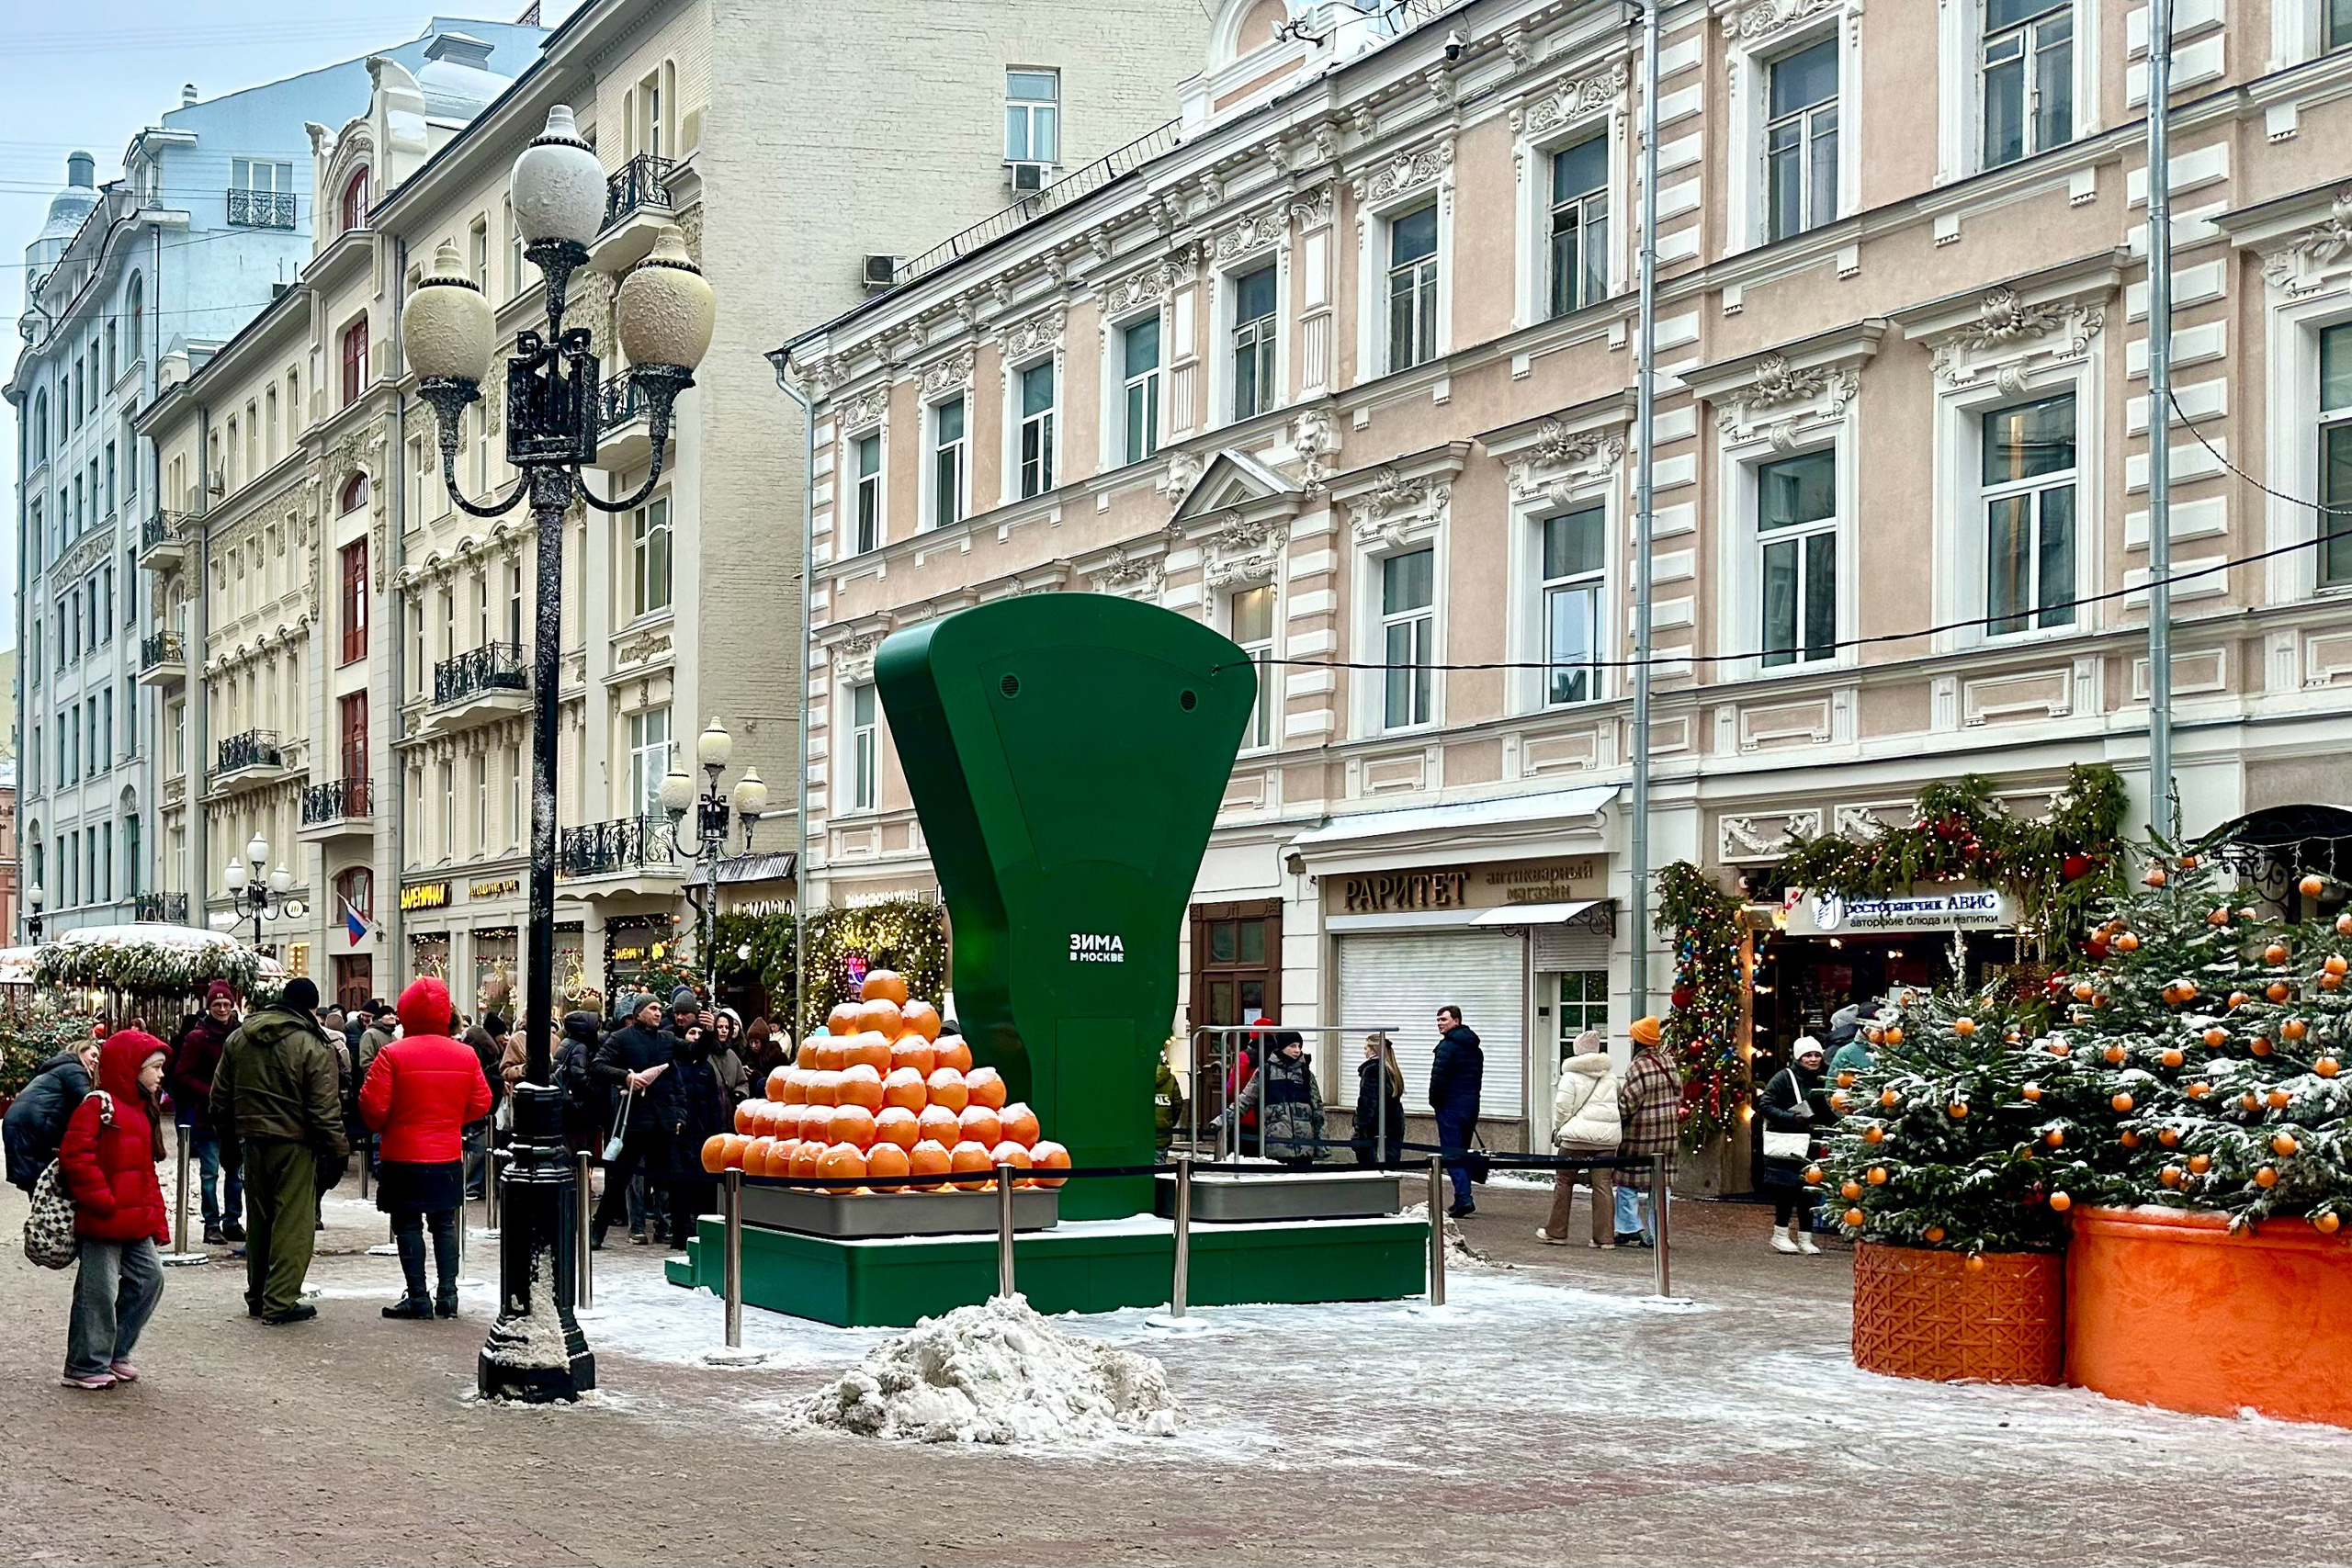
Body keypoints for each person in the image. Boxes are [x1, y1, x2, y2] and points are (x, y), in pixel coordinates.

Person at [212, 977, 349, 1325]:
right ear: (310, 1008)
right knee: (294, 1223)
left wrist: (227, 1141)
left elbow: (220, 1098)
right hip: (294, 1143)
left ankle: (257, 1295)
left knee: (259, 1221)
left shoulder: (239, 1038)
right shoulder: (312, 1044)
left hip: (252, 1141)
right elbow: (324, 1109)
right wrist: (337, 1151)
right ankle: (280, 1300)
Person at [359, 977, 492, 1318]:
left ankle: (418, 1296)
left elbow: (373, 1107)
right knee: (444, 1224)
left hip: (402, 1152)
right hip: (445, 1152)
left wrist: (390, 1124)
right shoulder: (465, 1054)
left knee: (407, 1225)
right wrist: (450, 1120)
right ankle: (448, 1293)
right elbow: (482, 1102)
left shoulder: (392, 1054)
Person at [56, 1030, 175, 1390]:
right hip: (104, 1218)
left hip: (134, 1219)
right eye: (154, 1067)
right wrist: (102, 1200)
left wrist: (156, 1219)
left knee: (149, 1279)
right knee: (98, 1292)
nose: (160, 1074)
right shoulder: (97, 1105)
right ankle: (85, 1362)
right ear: (131, 1068)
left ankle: (114, 1350)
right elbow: (75, 1156)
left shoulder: (141, 1110)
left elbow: (146, 1173)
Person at [589, 993, 673, 1247]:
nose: (658, 1013)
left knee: (667, 1180)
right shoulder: (621, 1038)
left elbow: (692, 1054)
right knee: (620, 1180)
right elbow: (597, 1066)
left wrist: (708, 1033)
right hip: (634, 1121)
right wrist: (625, 1077)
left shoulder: (666, 1039)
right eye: (653, 1008)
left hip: (661, 1120)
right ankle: (597, 1230)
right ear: (638, 1013)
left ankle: (673, 1232)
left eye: (660, 1009)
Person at [646, 1004, 730, 1249]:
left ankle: (703, 1233)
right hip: (679, 1132)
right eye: (690, 1033)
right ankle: (680, 1234)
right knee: (679, 1187)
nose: (694, 1036)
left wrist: (717, 1131)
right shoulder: (674, 1065)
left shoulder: (705, 1067)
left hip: (703, 1132)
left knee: (704, 1186)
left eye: (698, 1033)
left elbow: (714, 1102)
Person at [167, 981, 244, 1243]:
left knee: (236, 1172)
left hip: (236, 1115)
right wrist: (210, 1091)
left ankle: (233, 1220)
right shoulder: (197, 1037)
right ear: (209, 1007)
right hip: (208, 1114)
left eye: (226, 1004)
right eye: (217, 1005)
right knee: (209, 1172)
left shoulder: (241, 1033)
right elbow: (181, 1074)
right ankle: (212, 1223)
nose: (222, 1009)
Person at [1538, 1031, 1621, 1247]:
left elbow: (1562, 1108)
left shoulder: (1571, 1076)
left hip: (1575, 1138)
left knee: (1564, 1181)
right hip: (1606, 1140)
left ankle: (1556, 1232)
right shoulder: (1611, 1077)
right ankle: (1605, 1238)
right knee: (1603, 1185)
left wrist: (1559, 1128)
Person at [1759, 1035, 1834, 1255]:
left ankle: (1805, 1237)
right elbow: (1765, 1104)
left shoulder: (1825, 1078)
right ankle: (1780, 1234)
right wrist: (1790, 1117)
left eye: (1816, 1055)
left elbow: (1826, 1109)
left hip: (1812, 1143)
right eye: (1808, 1055)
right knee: (1786, 1190)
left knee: (1808, 1190)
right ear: (1798, 1057)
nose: (1813, 1059)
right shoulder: (1784, 1077)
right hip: (1789, 1142)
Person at [1614, 1015, 1683, 1248]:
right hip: (1668, 1134)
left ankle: (1628, 1226)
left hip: (1641, 1135)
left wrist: (1617, 1117)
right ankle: (1658, 1234)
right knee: (1661, 1185)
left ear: (1638, 1041)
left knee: (1627, 1179)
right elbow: (1679, 1095)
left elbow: (1629, 1102)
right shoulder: (1669, 1062)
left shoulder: (1637, 1066)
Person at [5, 1038, 101, 1193]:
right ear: (80, 1052)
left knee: (39, 1185)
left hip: (21, 1125)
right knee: (49, 1185)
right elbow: (88, 1101)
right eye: (93, 1055)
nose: (96, 1061)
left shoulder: (57, 1069)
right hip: (35, 1126)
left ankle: (44, 1214)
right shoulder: (73, 1069)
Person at [1214, 1031, 1322, 1166]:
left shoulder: (1305, 1074)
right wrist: (1223, 1120)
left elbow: (1318, 1110)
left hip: (1305, 1146)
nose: (1297, 1050)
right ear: (1282, 1047)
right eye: (1292, 1046)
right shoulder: (1266, 1071)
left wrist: (1321, 1145)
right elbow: (1245, 1099)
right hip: (1277, 1145)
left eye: (1299, 1046)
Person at [1429, 1005, 1484, 1218]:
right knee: (1462, 1150)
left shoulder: (1447, 1047)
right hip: (1470, 1105)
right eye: (1438, 1020)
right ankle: (1463, 1194)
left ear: (1456, 1021)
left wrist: (1435, 1102)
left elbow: (1438, 1079)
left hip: (1450, 1106)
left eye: (1443, 1019)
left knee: (1451, 1152)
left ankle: (1463, 1197)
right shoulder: (1474, 1048)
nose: (1439, 1023)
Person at [554, 1010, 606, 1154]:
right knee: (580, 1148)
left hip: (567, 1106)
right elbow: (579, 1076)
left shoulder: (567, 1042)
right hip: (578, 1108)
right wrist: (595, 1090)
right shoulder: (581, 1047)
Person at [1351, 1034, 1406, 1168]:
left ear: (1373, 1050)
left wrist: (1359, 1129)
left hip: (1375, 1130)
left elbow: (1367, 1103)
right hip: (1392, 1128)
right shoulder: (1391, 1069)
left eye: (1365, 1048)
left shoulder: (1372, 1070)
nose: (1364, 1052)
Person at [1152, 1048, 1187, 1155]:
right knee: (1160, 1167)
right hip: (1163, 1131)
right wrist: (1170, 1122)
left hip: (1141, 1133)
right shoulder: (1170, 1079)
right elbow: (1177, 1105)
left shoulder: (1138, 1078)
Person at [1827, 1005, 1874, 1081]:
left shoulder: (1845, 1051)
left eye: (1835, 1025)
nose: (1832, 1029)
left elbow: (1832, 1083)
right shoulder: (1846, 1052)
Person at [741, 1016, 789, 1087]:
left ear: (763, 1042)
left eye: (756, 1042)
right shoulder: (748, 1055)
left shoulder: (776, 1056)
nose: (753, 1046)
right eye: (751, 1042)